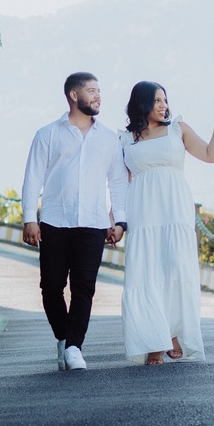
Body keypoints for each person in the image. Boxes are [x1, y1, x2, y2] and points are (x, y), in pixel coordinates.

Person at [120, 82, 214, 365]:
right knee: (147, 274)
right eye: (157, 100)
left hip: (174, 211)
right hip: (143, 214)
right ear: (141, 103)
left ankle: (172, 333)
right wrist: (117, 219)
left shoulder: (177, 129)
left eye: (165, 100)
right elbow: (119, 182)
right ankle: (155, 342)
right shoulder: (125, 139)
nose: (164, 105)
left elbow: (211, 154)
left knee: (174, 268)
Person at [21, 72, 129, 371]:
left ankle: (74, 347)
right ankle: (63, 337)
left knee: (84, 288)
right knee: (51, 287)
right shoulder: (48, 134)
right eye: (92, 91)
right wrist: (30, 219)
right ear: (73, 95)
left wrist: (120, 220)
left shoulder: (109, 138)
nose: (98, 96)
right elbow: (33, 178)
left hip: (93, 223)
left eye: (99, 91)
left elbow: (118, 181)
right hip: (55, 221)